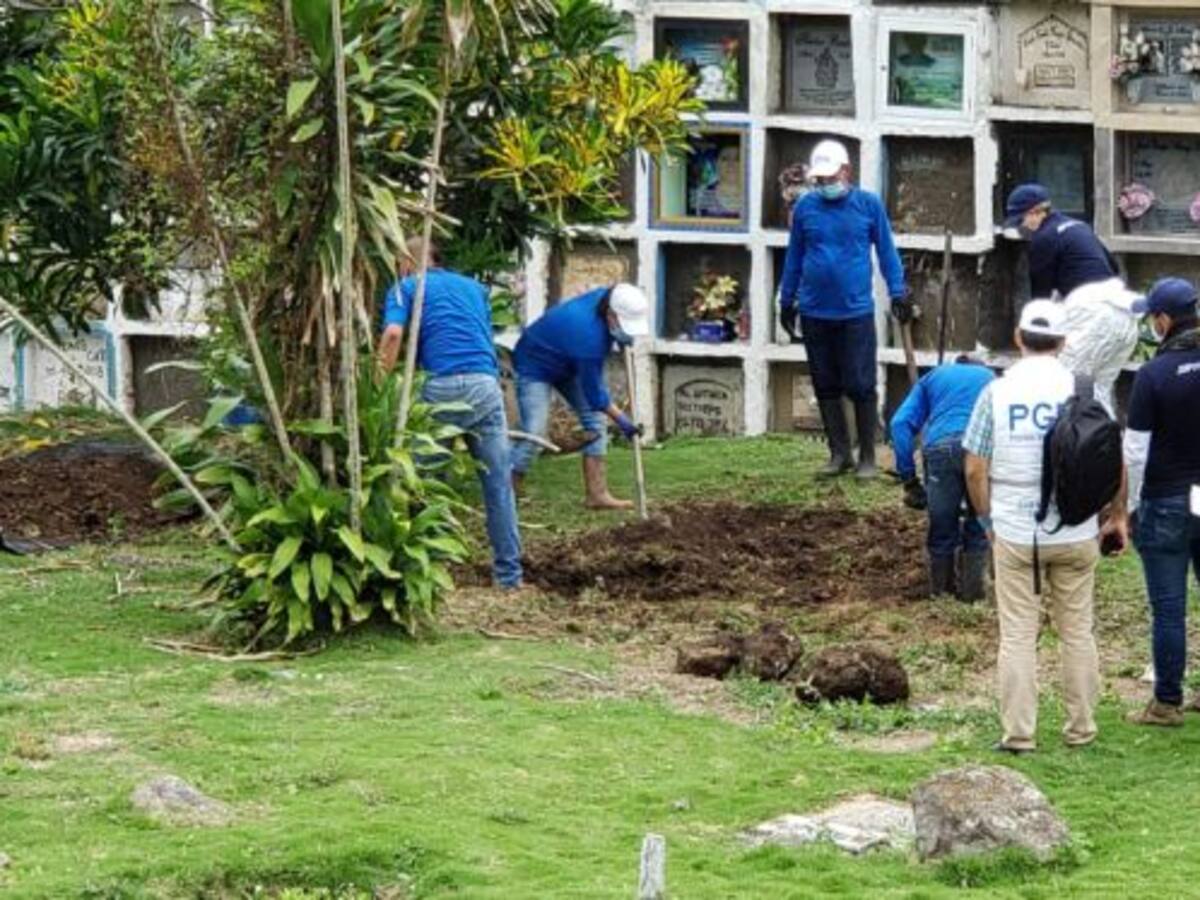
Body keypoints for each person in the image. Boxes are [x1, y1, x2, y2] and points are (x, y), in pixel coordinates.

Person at [963, 299, 1124, 753]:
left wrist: (986, 519)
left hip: (1016, 531)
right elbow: (1113, 459)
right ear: (1063, 341)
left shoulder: (997, 391)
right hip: (1076, 531)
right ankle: (1082, 728)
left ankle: (1019, 734)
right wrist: (1115, 515)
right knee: (1078, 632)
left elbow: (975, 467)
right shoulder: (1086, 390)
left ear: (1018, 338)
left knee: (1017, 635)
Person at [375, 237, 522, 589]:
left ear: (407, 260)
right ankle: (509, 576)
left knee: (426, 483)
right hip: (485, 387)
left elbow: (393, 334)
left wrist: (378, 386)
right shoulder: (474, 288)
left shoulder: (405, 286)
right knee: (498, 485)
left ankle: (430, 568)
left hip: (439, 389)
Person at [778, 139, 908, 479]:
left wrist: (898, 291)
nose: (825, 184)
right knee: (825, 383)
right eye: (819, 179)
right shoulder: (806, 208)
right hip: (814, 311)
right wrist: (786, 299)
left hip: (854, 312)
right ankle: (839, 454)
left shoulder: (868, 205)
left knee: (861, 384)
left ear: (846, 171)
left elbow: (886, 251)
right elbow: (794, 257)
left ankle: (867, 455)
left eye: (830, 176)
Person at [1120, 278, 1200, 726]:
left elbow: (1135, 450)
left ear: (1163, 320)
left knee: (1169, 607)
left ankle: (1166, 702)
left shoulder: (1152, 375)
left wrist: (1129, 508)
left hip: (1165, 497)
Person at [510, 283, 649, 509]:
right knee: (534, 431)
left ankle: (597, 495)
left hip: (566, 360)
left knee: (595, 422)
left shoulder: (610, 296)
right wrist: (624, 422)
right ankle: (508, 488)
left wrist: (625, 335)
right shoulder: (588, 340)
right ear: (611, 316)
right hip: (534, 364)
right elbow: (596, 397)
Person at [1004, 183, 1141, 412]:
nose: (1022, 229)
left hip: (1094, 316)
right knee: (1099, 390)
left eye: (1021, 221)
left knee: (1065, 386)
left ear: (1036, 212)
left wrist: (1029, 340)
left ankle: (1065, 447)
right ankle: (1106, 445)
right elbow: (1113, 266)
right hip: (1125, 315)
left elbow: (1041, 303)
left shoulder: (1043, 239)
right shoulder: (1080, 227)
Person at [889, 356, 996, 600]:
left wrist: (909, 479)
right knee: (980, 520)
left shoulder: (934, 376)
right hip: (981, 450)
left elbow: (900, 424)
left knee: (942, 522)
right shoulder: (991, 379)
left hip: (941, 448)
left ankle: (942, 593)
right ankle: (974, 593)